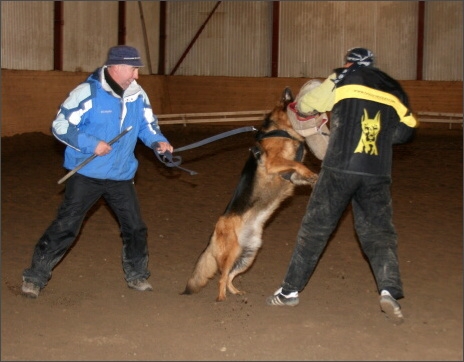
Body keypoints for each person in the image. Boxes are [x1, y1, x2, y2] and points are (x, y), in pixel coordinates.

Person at [266, 47, 419, 323]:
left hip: (340, 167)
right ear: (373, 64)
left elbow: (305, 106)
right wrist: (377, 134)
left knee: (315, 230)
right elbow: (407, 131)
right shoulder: (394, 88)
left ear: (349, 62)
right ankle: (388, 290)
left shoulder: (343, 76)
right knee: (379, 233)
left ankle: (289, 292)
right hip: (377, 171)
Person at [21, 45, 173, 298]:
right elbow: (60, 125)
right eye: (133, 69)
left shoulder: (138, 95)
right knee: (66, 225)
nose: (136, 75)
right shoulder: (87, 92)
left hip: (121, 175)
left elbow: (148, 126)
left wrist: (158, 141)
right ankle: (35, 277)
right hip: (86, 174)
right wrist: (91, 144)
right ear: (116, 67)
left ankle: (137, 275)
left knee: (135, 227)